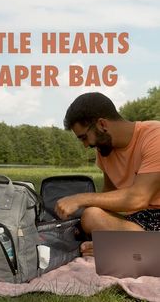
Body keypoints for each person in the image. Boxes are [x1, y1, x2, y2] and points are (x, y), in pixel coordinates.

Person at [55, 92, 160, 256]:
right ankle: (133, 249)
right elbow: (109, 197)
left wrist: (80, 199)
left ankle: (127, 249)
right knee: (91, 215)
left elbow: (139, 198)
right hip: (138, 225)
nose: (85, 145)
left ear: (102, 124)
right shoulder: (104, 150)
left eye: (84, 137)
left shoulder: (155, 136)